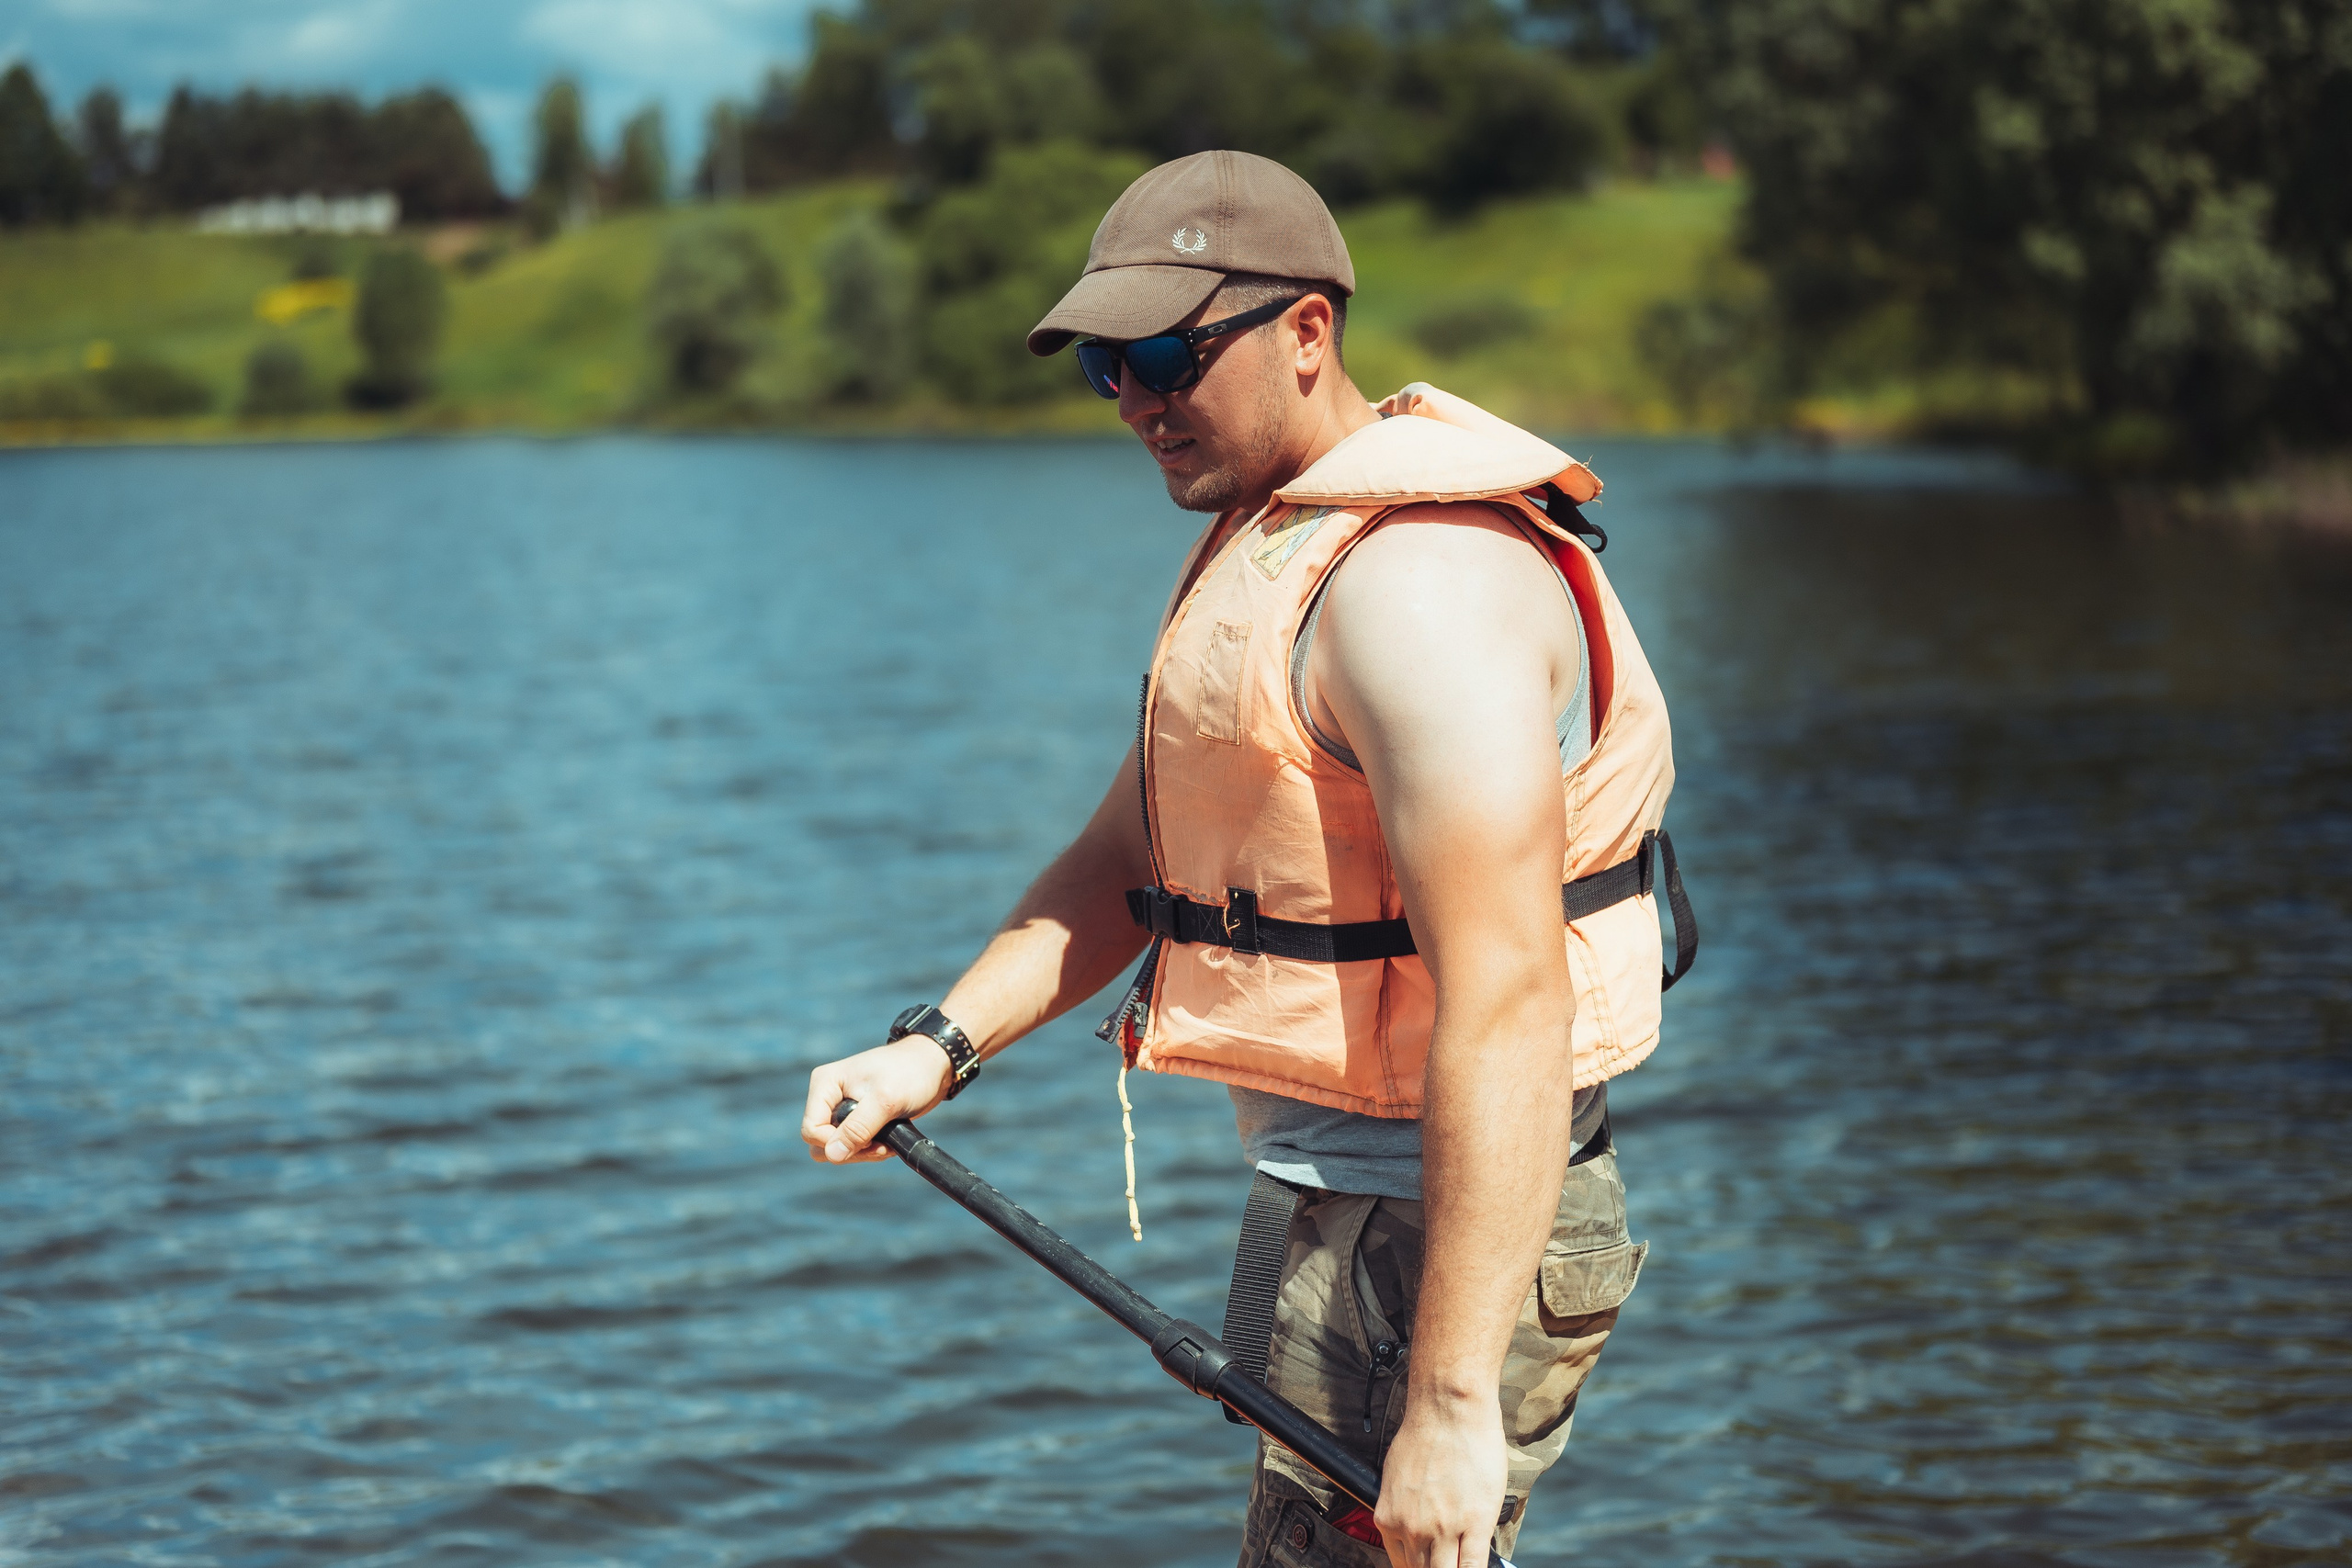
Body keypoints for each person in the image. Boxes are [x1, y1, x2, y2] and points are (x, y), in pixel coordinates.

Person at [801, 150, 1690, 1568]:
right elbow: (1132, 852)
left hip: (1433, 1232)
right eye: (1106, 367)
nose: (1138, 401)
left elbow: (1513, 993)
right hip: (1335, 1199)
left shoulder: (1419, 592)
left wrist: (1455, 1401)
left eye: (1167, 354)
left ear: (1307, 333)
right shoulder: (1270, 543)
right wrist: (935, 1049)